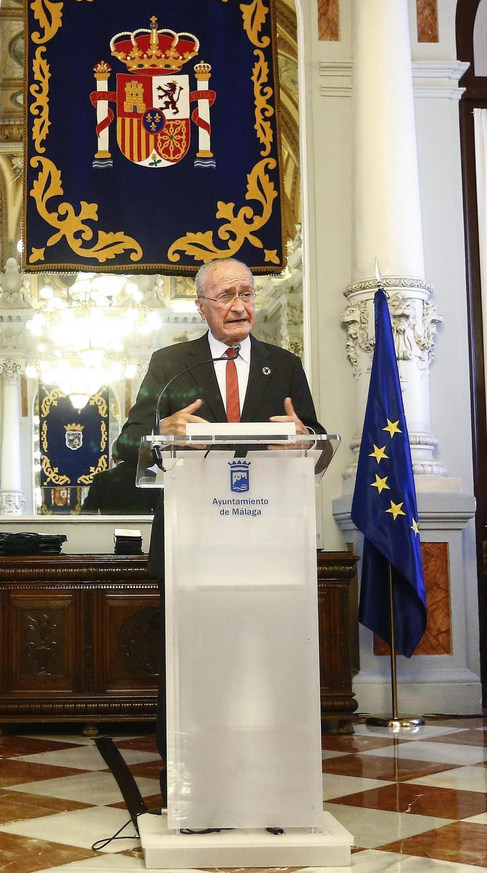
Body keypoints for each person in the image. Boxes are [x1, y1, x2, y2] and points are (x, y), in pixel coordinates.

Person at [113, 257, 325, 805]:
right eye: (225, 295)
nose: (239, 306)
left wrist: (304, 434)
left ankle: (268, 774)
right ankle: (185, 777)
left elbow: (315, 438)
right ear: (202, 306)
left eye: (246, 293)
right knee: (191, 660)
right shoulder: (170, 365)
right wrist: (162, 428)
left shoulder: (284, 365)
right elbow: (127, 444)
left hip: (267, 546)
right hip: (191, 546)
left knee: (265, 660)